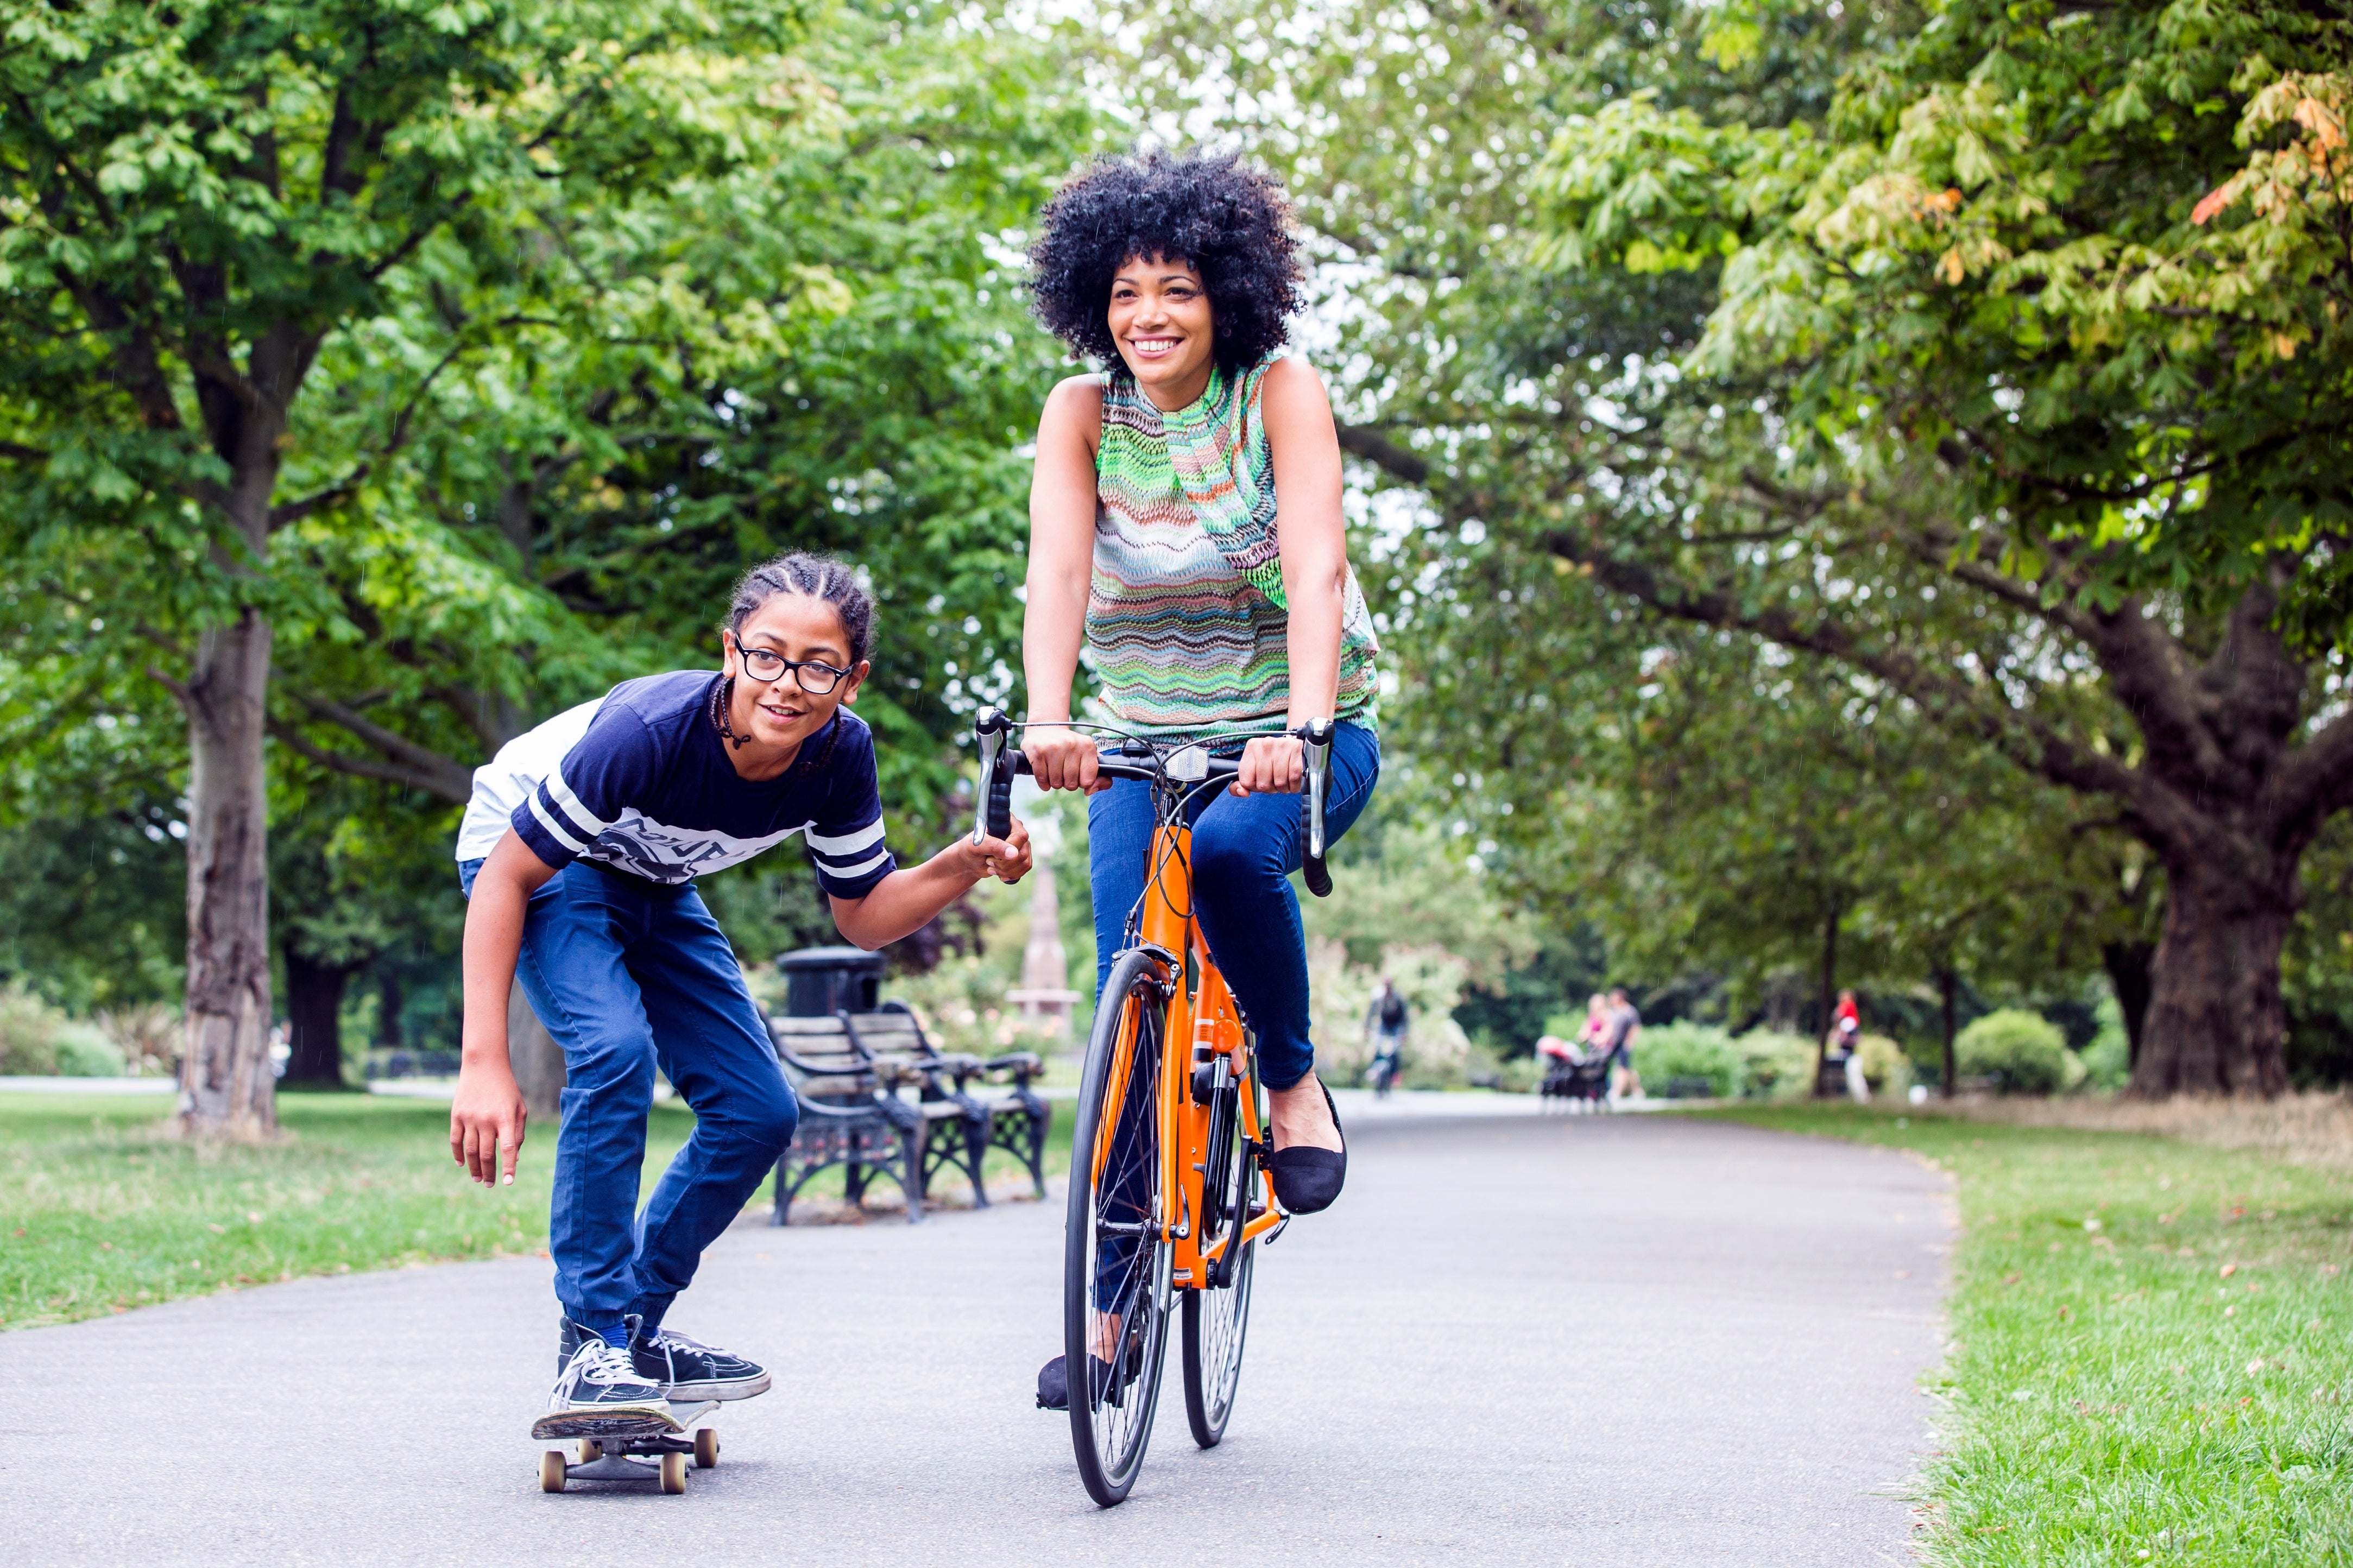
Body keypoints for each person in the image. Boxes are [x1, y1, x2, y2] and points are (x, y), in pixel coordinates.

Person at [447, 553, 1032, 1425]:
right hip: (534, 863)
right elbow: (505, 878)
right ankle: (595, 1339)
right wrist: (484, 1060)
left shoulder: (838, 757)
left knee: (760, 1111)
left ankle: (628, 1331)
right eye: (766, 655)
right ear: (731, 651)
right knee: (613, 1052)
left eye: (817, 666)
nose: (787, 684)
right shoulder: (650, 730)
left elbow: (864, 915)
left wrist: (958, 864)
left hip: (654, 881)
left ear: (853, 679)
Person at [1018, 150, 1382, 1408]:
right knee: (1134, 1005)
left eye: (1174, 287)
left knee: (1232, 856)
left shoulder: (1276, 392)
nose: (1147, 315)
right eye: (1124, 292)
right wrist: (1052, 718)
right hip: (1140, 737)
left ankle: (1286, 1076)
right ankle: (1112, 1313)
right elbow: (1060, 576)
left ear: (1226, 295)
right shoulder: (1081, 414)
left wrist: (1302, 721)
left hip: (1294, 730)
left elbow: (1318, 559)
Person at [1365, 978, 1409, 1096]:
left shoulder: (1398, 998)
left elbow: (1405, 1017)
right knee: (1378, 1047)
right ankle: (1374, 1070)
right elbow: (1371, 1013)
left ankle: (1395, 1075)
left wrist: (1404, 1033)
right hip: (1384, 1025)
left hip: (1396, 1026)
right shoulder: (1379, 997)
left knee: (1395, 1051)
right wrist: (1367, 1028)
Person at [1604, 987, 1644, 1101]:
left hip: (1624, 1044)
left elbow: (1636, 1028)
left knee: (1622, 1068)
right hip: (1615, 1044)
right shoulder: (1614, 1011)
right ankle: (1638, 1091)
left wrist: (1630, 1042)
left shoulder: (1629, 1011)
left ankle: (1616, 1093)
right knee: (1627, 1069)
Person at [1828, 989, 1868, 1102]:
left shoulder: (1849, 1022)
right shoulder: (1845, 1022)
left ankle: (1863, 1101)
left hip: (1851, 1056)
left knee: (1855, 1079)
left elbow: (1856, 1039)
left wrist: (1844, 1038)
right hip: (1845, 1055)